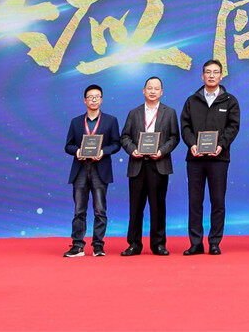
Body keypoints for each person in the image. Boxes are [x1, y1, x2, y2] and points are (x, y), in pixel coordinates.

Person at [179, 59, 241, 256]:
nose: (211, 75)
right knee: (195, 202)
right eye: (208, 72)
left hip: (218, 159)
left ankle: (215, 242)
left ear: (221, 76)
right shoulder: (192, 100)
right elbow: (185, 127)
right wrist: (192, 144)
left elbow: (233, 127)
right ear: (202, 76)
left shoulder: (230, 101)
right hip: (195, 159)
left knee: (218, 201)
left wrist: (221, 145)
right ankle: (195, 243)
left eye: (215, 72)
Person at [119, 76, 179, 256]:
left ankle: (158, 244)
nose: (153, 91)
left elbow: (174, 137)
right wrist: (132, 150)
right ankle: (134, 244)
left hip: (159, 164)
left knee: (158, 207)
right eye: (150, 88)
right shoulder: (134, 113)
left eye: (156, 88)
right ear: (143, 91)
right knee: (135, 207)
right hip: (137, 164)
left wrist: (161, 151)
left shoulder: (170, 112)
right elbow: (124, 137)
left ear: (162, 92)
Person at [63, 84, 121, 257]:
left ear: (101, 100)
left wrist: (103, 151)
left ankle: (98, 246)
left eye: (97, 97)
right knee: (79, 210)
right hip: (80, 169)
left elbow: (116, 144)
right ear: (85, 100)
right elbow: (68, 146)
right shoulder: (76, 122)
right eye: (90, 97)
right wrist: (77, 152)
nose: (94, 100)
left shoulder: (111, 120)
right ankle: (77, 245)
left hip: (100, 169)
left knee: (100, 210)